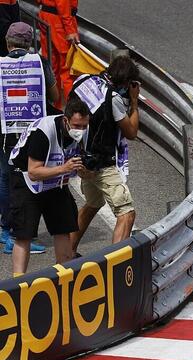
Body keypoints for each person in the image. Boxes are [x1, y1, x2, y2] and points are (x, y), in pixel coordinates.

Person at [7, 96, 88, 276]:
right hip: (27, 179)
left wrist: (83, 170)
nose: (80, 130)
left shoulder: (84, 132)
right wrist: (64, 168)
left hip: (56, 180)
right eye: (77, 126)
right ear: (66, 120)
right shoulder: (43, 132)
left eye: (84, 126)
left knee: (64, 228)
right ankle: (18, 281)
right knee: (24, 234)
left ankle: (64, 275)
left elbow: (83, 171)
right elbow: (34, 172)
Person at [69, 55, 139, 253]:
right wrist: (133, 102)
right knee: (126, 213)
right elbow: (131, 132)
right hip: (102, 163)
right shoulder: (114, 99)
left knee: (93, 203)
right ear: (125, 82)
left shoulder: (84, 81)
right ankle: (115, 266)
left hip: (81, 158)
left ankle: (66, 255)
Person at [0, 21, 59, 254]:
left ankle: (6, 230)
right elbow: (54, 95)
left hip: (4, 131)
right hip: (32, 131)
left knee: (5, 178)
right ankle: (17, 235)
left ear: (7, 42)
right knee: (26, 179)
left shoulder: (0, 65)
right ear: (29, 43)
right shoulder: (40, 63)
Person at [38, 0, 79, 106]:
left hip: (46, 16)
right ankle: (73, 111)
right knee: (68, 69)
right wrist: (70, 29)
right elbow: (63, 4)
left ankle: (53, 107)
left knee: (51, 66)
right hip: (59, 22)